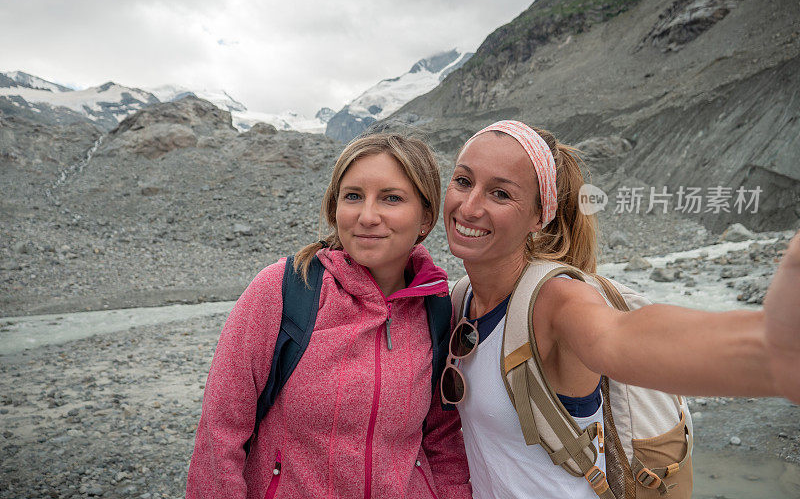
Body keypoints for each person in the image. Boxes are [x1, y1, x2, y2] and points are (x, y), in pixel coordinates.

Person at [439, 119, 800, 499]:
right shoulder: (462, 297)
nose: (470, 205)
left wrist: (769, 352)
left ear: (538, 217)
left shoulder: (554, 299)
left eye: (499, 194)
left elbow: (619, 337)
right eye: (463, 181)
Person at [186, 132, 472, 499]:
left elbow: (441, 440)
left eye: (391, 198)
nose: (367, 216)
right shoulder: (285, 289)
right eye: (353, 196)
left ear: (425, 218)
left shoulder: (436, 309)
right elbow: (219, 432)